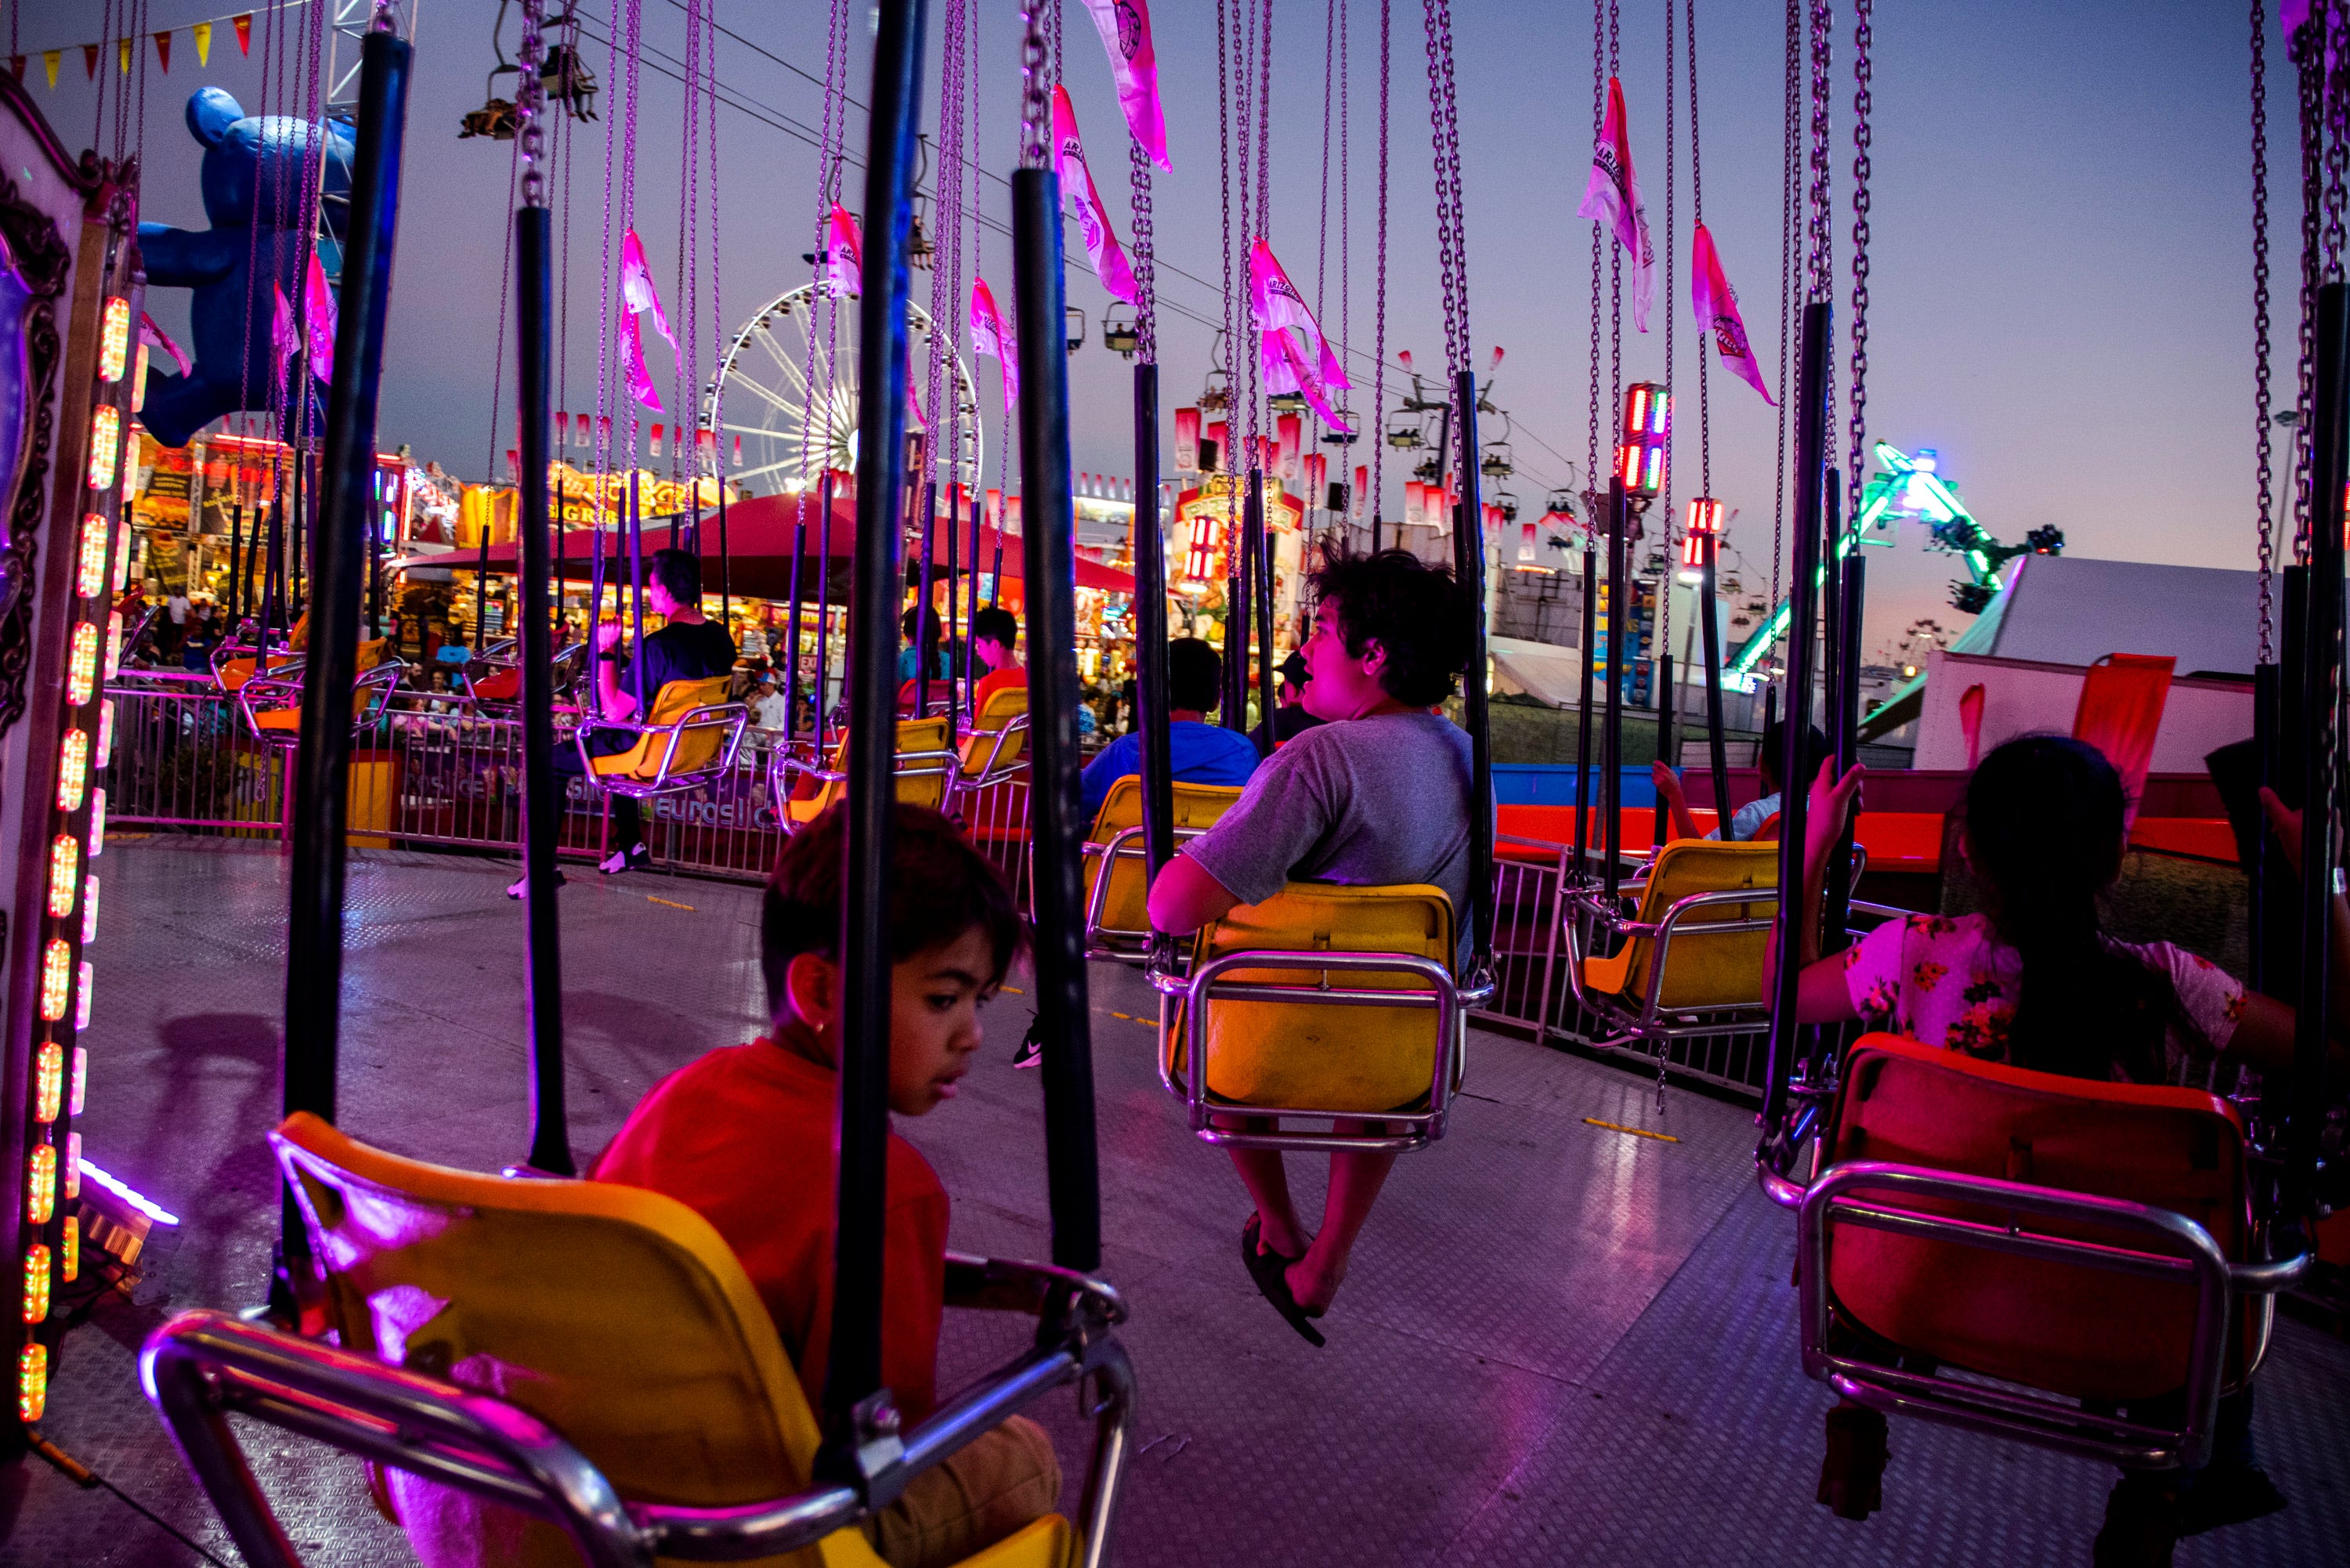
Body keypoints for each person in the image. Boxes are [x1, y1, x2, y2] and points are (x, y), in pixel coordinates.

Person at [1773, 734, 2350, 1564]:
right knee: (2223, 1251)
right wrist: (2323, 878)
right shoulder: (2174, 983)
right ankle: (2156, 1491)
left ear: (1967, 847)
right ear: (2116, 859)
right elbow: (2340, 1054)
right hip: (2125, 1327)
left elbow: (1781, 994)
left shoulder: (1910, 954)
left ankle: (1862, 1407)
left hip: (1910, 1292)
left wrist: (1813, 849)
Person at [592, 804, 1055, 1568]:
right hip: (757, 1530)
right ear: (823, 991)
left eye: (980, 1002)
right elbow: (883, 1447)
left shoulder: (681, 1094)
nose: (972, 1032)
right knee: (1022, 1454)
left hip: (604, 1483)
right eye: (944, 998)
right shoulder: (890, 1188)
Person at [1146, 546, 1478, 1343]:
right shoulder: (1471, 757)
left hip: (1272, 1039)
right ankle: (1324, 1256)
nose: (1303, 651)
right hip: (1408, 1053)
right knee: (1374, 1036)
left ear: (1373, 655)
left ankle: (1278, 1221)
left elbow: (1171, 905)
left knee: (1217, 969)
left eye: (1323, 630)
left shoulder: (1321, 759)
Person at [510, 547, 734, 895]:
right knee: (613, 756)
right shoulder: (721, 637)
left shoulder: (658, 646)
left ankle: (542, 867)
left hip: (650, 749)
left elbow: (615, 709)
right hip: (694, 746)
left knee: (549, 763)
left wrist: (606, 650)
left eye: (652, 585)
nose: (650, 591)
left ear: (664, 590)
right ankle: (630, 844)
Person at [1076, 638, 1261, 821]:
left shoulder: (1127, 751)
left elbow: (1073, 806)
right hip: (1215, 851)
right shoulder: (1242, 752)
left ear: (1153, 692)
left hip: (1134, 850)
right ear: (1216, 701)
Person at [1649, 717, 1822, 844]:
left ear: (1761, 764)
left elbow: (1698, 855)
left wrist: (1674, 795)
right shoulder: (1822, 814)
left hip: (1745, 893)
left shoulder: (1757, 814)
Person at [1248, 650, 1329, 755]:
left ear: (1293, 689)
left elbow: (1245, 754)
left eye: (1286, 683)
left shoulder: (1279, 720)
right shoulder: (1336, 722)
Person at [967, 605, 1026, 711]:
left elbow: (978, 726)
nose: (979, 652)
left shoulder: (988, 684)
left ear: (995, 645)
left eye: (980, 646)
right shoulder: (1027, 678)